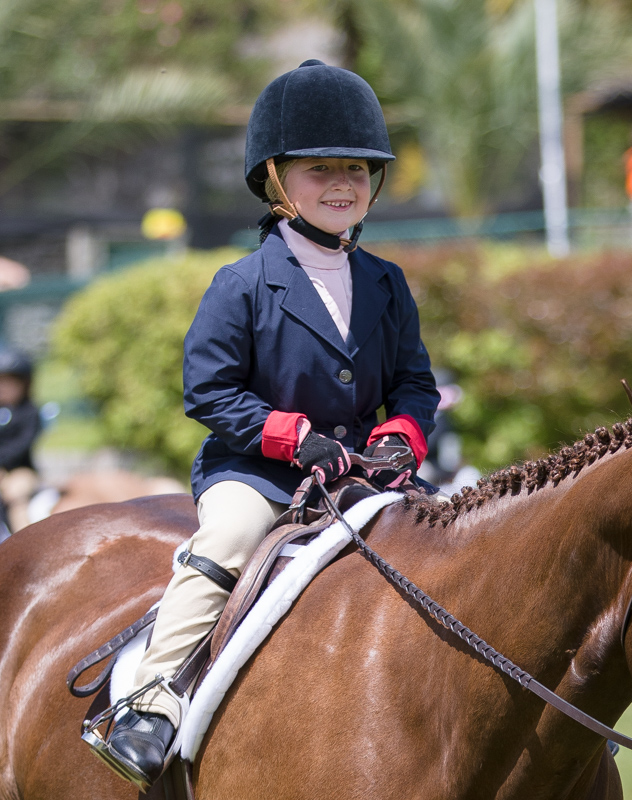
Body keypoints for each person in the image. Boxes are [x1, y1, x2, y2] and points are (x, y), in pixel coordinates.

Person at [97, 59, 441, 789]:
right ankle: (150, 702)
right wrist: (294, 437)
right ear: (277, 179)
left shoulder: (386, 281)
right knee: (225, 538)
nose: (344, 182)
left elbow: (414, 384)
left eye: (356, 167)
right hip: (257, 470)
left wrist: (395, 439)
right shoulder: (241, 284)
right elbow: (209, 391)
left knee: (454, 537)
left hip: (362, 472)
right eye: (321, 169)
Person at [0, 345, 41, 538]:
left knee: (16, 496)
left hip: (20, 470)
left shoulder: (30, 413)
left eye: (11, 383)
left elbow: (21, 446)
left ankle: (23, 541)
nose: (4, 389)